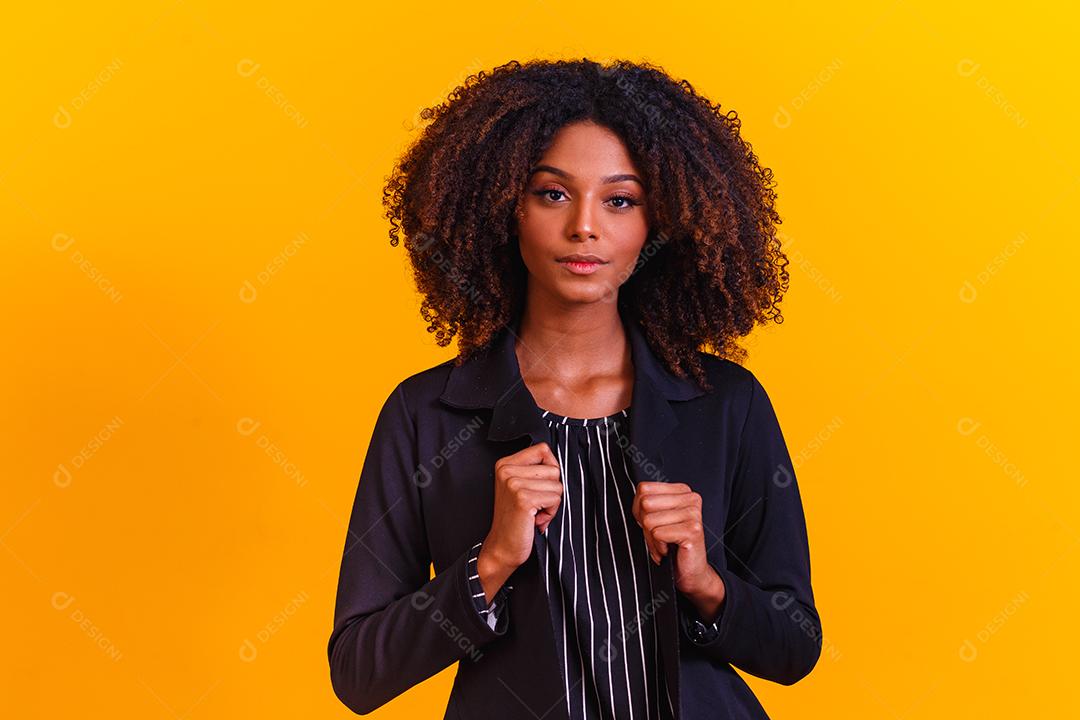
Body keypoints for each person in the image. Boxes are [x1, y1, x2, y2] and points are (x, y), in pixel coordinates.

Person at [328, 58, 822, 719]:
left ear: (659, 222)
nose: (584, 226)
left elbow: (794, 645)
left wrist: (704, 583)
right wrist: (492, 561)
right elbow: (359, 672)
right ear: (503, 206)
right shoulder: (427, 415)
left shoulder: (725, 403)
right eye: (552, 194)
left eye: (620, 200)